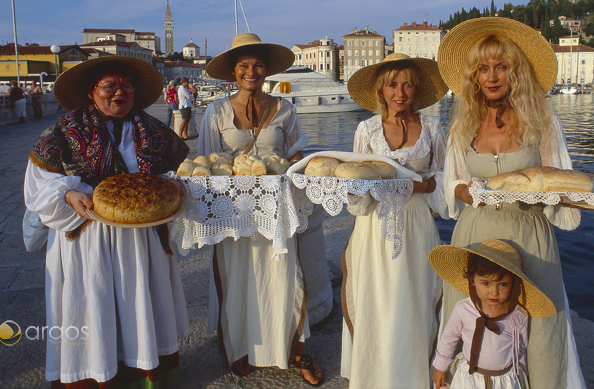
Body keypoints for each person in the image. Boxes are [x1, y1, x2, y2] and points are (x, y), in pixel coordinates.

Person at [23, 55, 190, 388]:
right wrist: (70, 194)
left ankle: (145, 377)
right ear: (90, 92)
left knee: (140, 305)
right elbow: (37, 185)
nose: (119, 93)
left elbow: (172, 174)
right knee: (92, 308)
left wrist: (174, 186)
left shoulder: (152, 129)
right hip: (87, 238)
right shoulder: (64, 131)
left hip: (141, 239)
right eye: (109, 86)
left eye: (126, 86)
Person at [438, 17, 585, 388]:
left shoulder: (543, 118)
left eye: (501, 67)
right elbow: (452, 181)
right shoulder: (462, 124)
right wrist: (468, 192)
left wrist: (576, 198)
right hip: (476, 236)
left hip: (530, 239)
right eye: (483, 68)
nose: (491, 77)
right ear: (473, 76)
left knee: (541, 330)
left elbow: (560, 180)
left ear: (515, 71)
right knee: (472, 324)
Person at [196, 33, 323, 386]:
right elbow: (205, 163)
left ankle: (296, 349)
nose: (251, 72)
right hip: (233, 212)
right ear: (233, 73)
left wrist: (310, 166)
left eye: (257, 65)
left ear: (266, 70)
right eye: (243, 66)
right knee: (236, 276)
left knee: (285, 277)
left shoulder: (284, 108)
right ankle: (238, 346)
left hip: (275, 209)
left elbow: (295, 153)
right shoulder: (215, 111)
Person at [341, 53, 449, 389]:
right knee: (376, 298)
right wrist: (372, 185)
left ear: (417, 89)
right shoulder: (366, 130)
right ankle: (373, 375)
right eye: (392, 84)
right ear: (381, 90)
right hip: (374, 227)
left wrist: (425, 185)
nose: (399, 92)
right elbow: (355, 189)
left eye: (407, 84)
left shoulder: (433, 128)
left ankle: (414, 375)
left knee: (414, 297)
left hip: (417, 226)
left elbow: (446, 181)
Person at [429, 240, 556, 389]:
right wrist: (440, 367)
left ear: (513, 284)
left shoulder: (518, 315)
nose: (494, 292)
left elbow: (520, 347)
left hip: (505, 380)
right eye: (486, 283)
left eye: (503, 284)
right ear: (473, 280)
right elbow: (449, 338)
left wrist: (522, 374)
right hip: (470, 378)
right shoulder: (463, 309)